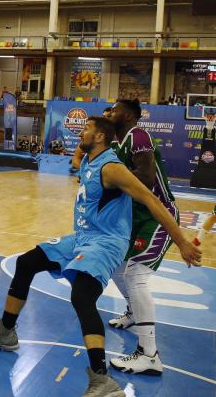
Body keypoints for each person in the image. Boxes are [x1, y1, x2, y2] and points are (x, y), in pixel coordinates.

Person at [0, 117, 201, 396]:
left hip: (106, 243)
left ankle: (101, 380)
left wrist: (182, 242)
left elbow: (152, 200)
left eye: (87, 129)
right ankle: (6, 333)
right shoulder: (91, 159)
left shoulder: (113, 168)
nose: (82, 132)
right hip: (81, 237)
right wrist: (81, 150)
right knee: (26, 262)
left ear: (101, 137)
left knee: (81, 296)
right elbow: (78, 160)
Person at [107, 99, 180, 375]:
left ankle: (149, 354)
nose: (110, 113)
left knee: (135, 275)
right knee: (116, 266)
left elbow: (146, 178)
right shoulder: (119, 143)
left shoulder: (138, 135)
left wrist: (109, 184)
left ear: (127, 114)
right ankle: (133, 313)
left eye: (114, 109)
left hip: (157, 214)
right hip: (137, 218)